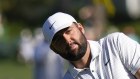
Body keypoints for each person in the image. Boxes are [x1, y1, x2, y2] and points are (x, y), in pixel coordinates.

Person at [42, 12, 140, 79]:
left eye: (68, 31)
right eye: (59, 39)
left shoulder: (115, 43)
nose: (67, 40)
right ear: (54, 49)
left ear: (80, 28)